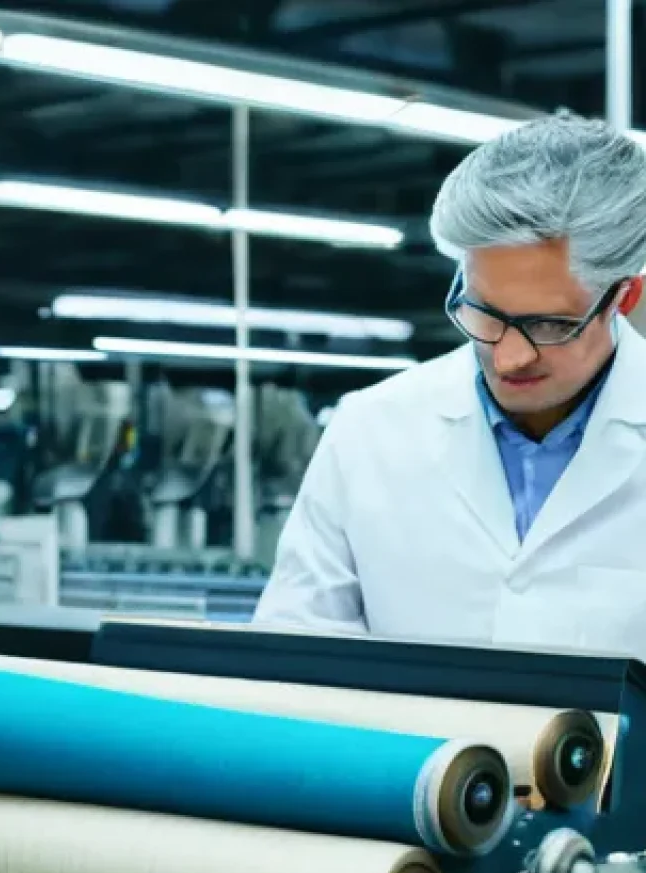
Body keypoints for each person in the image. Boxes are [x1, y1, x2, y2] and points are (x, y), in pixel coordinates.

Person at [254, 111, 646, 666]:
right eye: (484, 314)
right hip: (411, 756)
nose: (508, 357)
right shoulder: (371, 427)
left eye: (549, 325)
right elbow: (294, 651)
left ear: (624, 298)